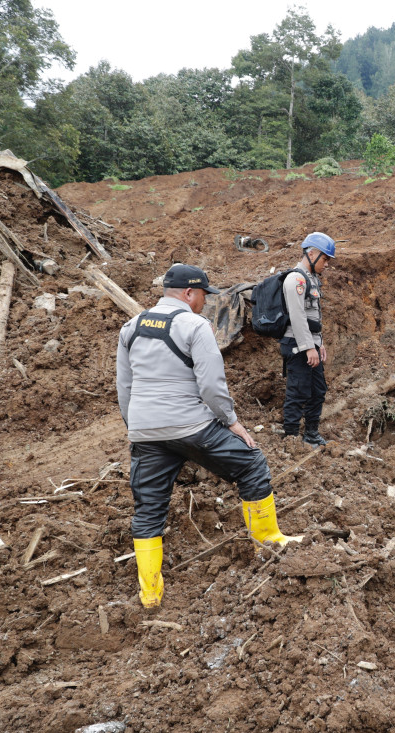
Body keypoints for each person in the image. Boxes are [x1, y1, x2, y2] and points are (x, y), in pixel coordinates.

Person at [117, 264, 301, 609]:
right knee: (251, 464)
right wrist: (232, 422)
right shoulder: (195, 325)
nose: (205, 301)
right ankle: (268, 542)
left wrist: (136, 428)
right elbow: (212, 385)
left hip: (144, 429)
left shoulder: (132, 326)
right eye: (203, 294)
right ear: (189, 293)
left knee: (148, 510)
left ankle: (150, 593)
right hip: (190, 425)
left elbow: (124, 386)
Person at [281, 232, 335, 447]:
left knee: (318, 389)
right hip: (296, 344)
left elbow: (313, 317)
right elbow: (297, 316)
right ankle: (291, 439)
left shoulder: (311, 279)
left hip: (309, 344)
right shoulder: (296, 279)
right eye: (325, 259)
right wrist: (308, 347)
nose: (326, 264)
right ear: (311, 254)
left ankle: (311, 434)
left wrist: (318, 344)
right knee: (298, 391)